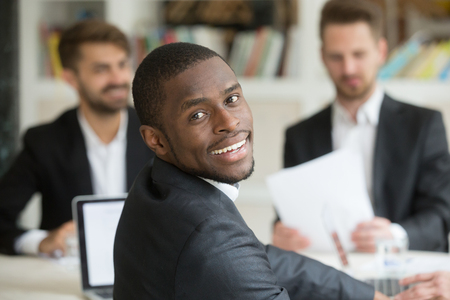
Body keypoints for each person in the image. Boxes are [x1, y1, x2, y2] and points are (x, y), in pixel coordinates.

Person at [113, 42, 389, 300]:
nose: (230, 122)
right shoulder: (211, 237)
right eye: (198, 114)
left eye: (232, 98)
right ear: (156, 140)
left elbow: (260, 256)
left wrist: (370, 296)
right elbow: (230, 252)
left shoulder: (155, 183)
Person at [273, 0, 450, 253]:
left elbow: (442, 215)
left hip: (405, 275)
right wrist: (282, 234)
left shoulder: (423, 125)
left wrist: (396, 236)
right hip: (327, 280)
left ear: (381, 51)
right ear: (322, 56)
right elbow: (288, 216)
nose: (348, 68)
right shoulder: (299, 136)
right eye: (336, 56)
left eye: (358, 54)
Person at [0, 20, 154, 256]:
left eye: (122, 65)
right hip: (68, 279)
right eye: (101, 69)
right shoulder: (44, 142)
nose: (118, 79)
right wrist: (41, 242)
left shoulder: (157, 134)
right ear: (71, 78)